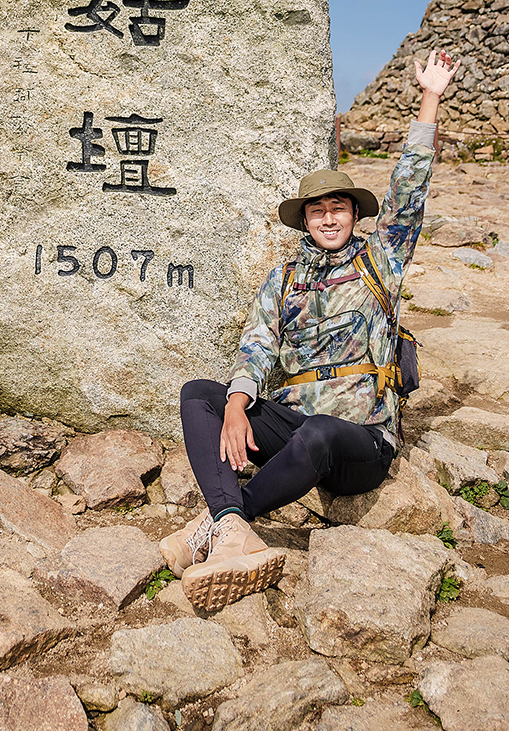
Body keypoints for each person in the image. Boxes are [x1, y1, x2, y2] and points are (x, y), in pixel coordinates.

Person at [159, 48, 460, 612]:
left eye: (339, 206)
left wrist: (430, 101)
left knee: (317, 433)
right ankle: (231, 529)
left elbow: (407, 196)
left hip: (359, 439)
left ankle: (220, 522)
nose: (328, 217)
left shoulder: (381, 262)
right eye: (316, 209)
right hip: (294, 420)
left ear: (353, 213)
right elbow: (257, 344)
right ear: (304, 218)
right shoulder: (285, 277)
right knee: (199, 395)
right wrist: (236, 404)